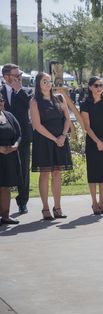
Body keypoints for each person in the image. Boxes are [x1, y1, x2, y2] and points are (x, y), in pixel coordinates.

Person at [30, 72, 73, 221]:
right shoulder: (35, 101)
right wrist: (55, 138)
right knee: (45, 174)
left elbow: (67, 119)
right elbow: (37, 125)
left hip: (60, 140)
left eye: (49, 81)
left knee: (57, 173)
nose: (48, 84)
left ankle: (58, 207)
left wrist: (62, 136)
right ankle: (45, 208)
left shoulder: (60, 98)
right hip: (44, 141)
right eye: (44, 82)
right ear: (38, 84)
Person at [1, 64, 32, 214]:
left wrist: (18, 90)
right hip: (3, 140)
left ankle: (22, 201)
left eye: (20, 76)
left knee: (24, 170)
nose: (19, 78)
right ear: (6, 77)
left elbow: (29, 106)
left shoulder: (24, 93)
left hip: (23, 138)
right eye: (16, 76)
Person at [80, 77, 103, 215]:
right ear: (90, 87)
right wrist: (97, 142)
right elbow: (87, 127)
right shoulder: (85, 104)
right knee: (94, 174)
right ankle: (94, 203)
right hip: (93, 142)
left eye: (101, 85)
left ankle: (102, 203)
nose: (99, 88)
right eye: (96, 85)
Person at [0, 95, 22, 225]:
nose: (0, 103)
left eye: (1, 100)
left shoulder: (9, 115)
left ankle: (6, 216)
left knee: (6, 187)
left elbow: (19, 133)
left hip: (10, 156)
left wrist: (15, 146)